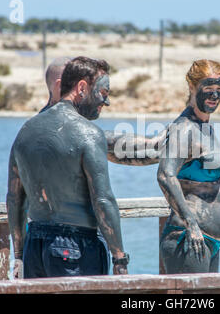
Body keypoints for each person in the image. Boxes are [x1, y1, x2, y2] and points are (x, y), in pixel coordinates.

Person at [7, 56, 130, 279]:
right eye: (103, 92)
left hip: (34, 245)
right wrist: (119, 258)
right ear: (82, 87)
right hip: (76, 247)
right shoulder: (89, 133)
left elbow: (14, 199)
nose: (106, 102)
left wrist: (18, 254)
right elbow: (103, 200)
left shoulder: (26, 130)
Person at [157, 60, 220, 274]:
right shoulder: (184, 128)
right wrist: (191, 224)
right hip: (189, 239)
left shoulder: (205, 127)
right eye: (208, 89)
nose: (215, 96)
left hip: (210, 240)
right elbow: (165, 175)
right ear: (192, 87)